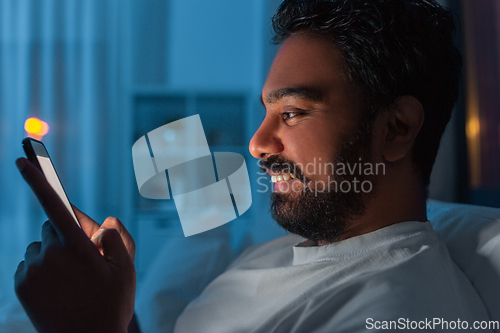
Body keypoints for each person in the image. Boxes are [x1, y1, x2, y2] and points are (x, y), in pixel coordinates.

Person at [14, 0, 493, 332]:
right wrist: (111, 304)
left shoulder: (398, 310)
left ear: (396, 129)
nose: (257, 143)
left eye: (292, 113)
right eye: (266, 112)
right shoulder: (276, 255)